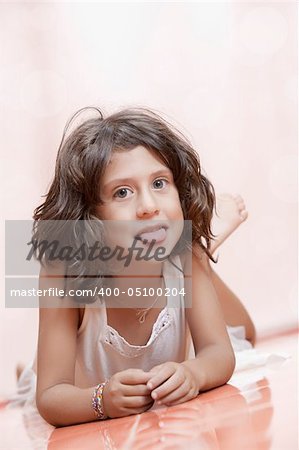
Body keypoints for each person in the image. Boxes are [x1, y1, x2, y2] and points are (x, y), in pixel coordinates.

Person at [14, 107, 255, 429]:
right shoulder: (62, 272)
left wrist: (193, 373)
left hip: (179, 256)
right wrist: (101, 400)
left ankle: (202, 241)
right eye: (122, 192)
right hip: (82, 383)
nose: (149, 206)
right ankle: (26, 373)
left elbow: (219, 354)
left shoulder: (183, 253)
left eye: (159, 183)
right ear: (90, 215)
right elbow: (52, 397)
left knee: (242, 335)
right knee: (33, 384)